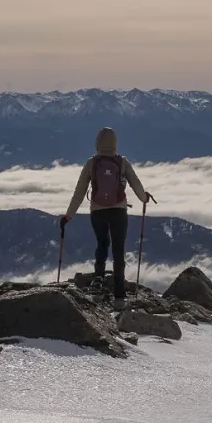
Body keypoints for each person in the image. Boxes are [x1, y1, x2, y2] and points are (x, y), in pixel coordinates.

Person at [61, 127, 151, 309]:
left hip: (97, 211)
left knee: (102, 245)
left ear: (98, 143)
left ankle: (98, 284)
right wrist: (144, 198)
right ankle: (119, 296)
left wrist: (68, 216)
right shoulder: (122, 162)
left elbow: (79, 192)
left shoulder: (92, 163)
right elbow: (136, 184)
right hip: (119, 211)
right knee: (119, 250)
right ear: (115, 143)